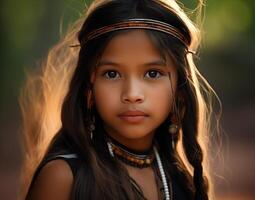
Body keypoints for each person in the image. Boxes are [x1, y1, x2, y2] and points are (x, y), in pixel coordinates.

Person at [19, 0, 219, 199]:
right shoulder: (63, 177)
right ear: (90, 86)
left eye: (152, 73)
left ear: (180, 88)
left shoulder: (182, 180)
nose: (132, 94)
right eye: (112, 74)